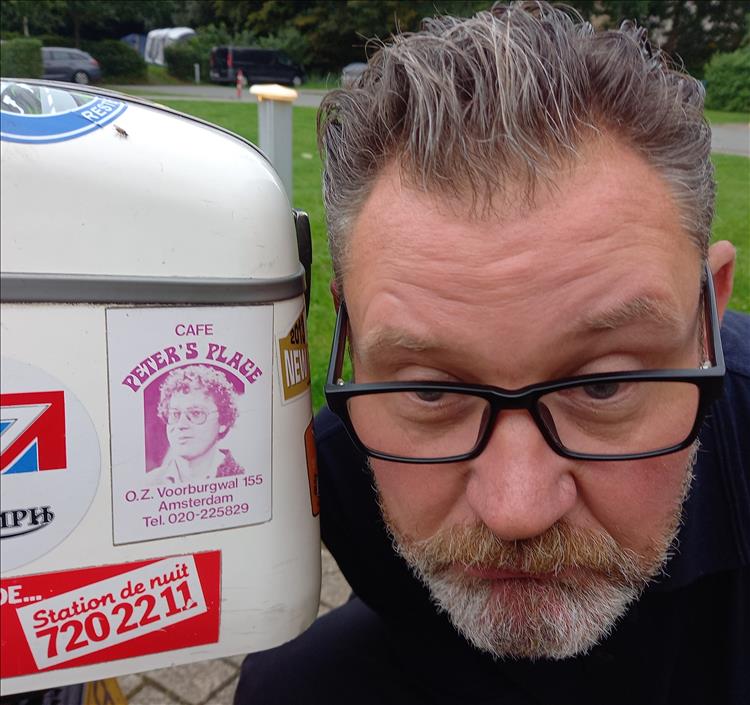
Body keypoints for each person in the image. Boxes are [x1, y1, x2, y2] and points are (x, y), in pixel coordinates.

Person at [235, 3, 749, 703]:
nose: (516, 509)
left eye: (603, 386)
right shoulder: (321, 475)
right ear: (351, 340)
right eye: (429, 389)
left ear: (707, 318)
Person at [147, 364, 245, 484]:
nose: (181, 425)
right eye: (175, 414)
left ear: (223, 421)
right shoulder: (148, 484)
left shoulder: (244, 477)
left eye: (196, 413)